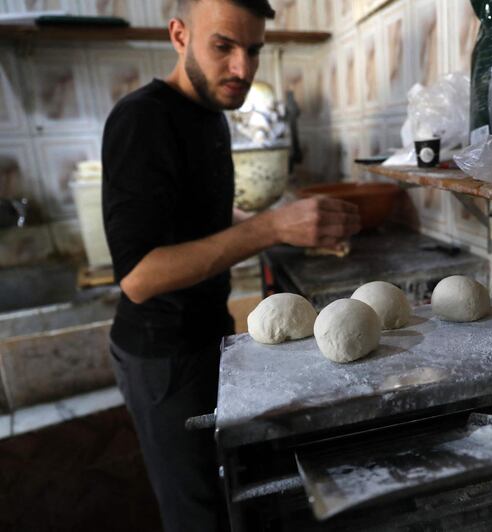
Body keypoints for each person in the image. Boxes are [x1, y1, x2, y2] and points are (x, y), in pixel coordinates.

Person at [101, 1, 360, 530]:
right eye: (223, 46)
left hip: (206, 338)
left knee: (228, 497)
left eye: (254, 50)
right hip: (162, 358)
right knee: (197, 514)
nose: (243, 68)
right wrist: (268, 229)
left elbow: (201, 216)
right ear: (179, 35)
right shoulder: (142, 119)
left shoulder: (208, 116)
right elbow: (139, 277)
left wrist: (285, 227)